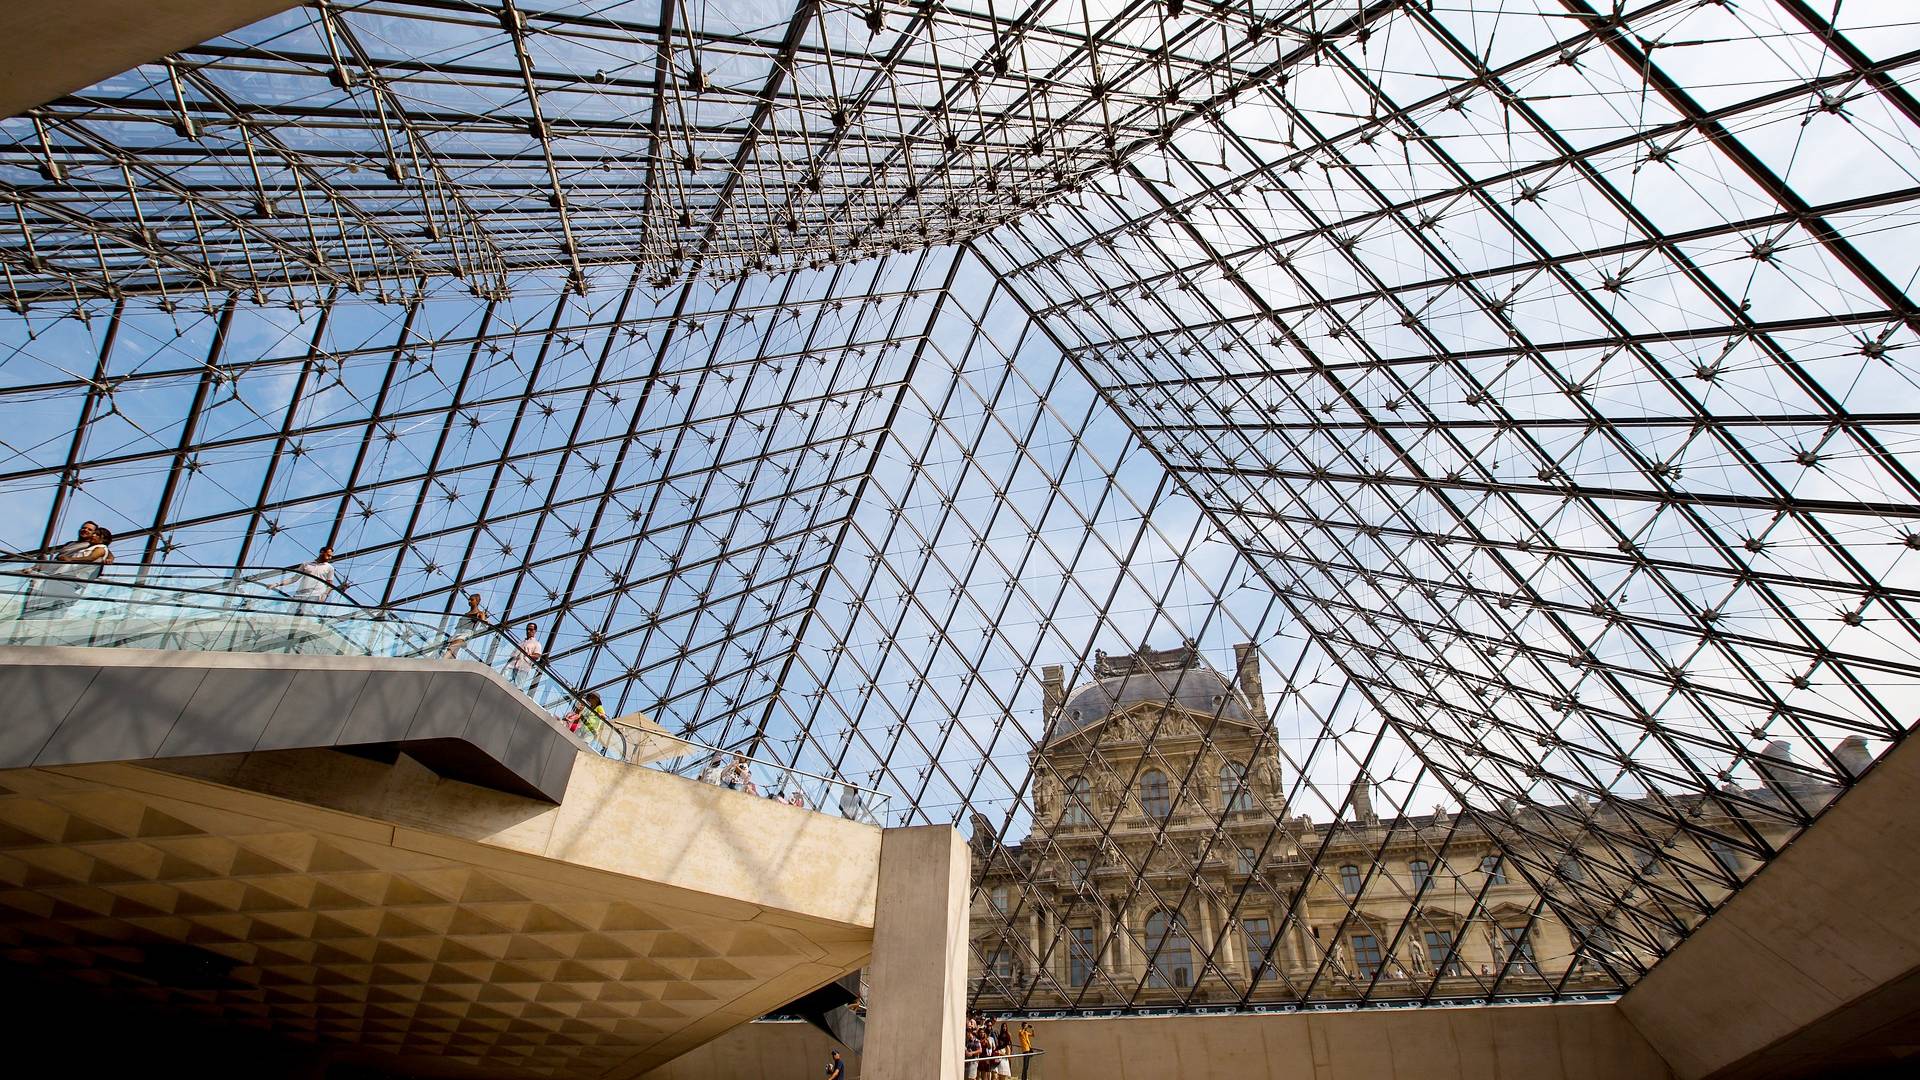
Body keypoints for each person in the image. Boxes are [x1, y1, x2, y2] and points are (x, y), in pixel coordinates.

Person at [25, 522, 113, 619]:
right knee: (44, 600)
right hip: (58, 574)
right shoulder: (72, 544)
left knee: (53, 603)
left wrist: (110, 558)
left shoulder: (94, 546)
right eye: (84, 528)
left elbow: (102, 553)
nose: (86, 530)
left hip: (70, 578)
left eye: (90, 530)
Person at [272, 545, 336, 604]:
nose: (329, 558)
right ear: (322, 552)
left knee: (303, 613)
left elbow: (329, 585)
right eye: (328, 555)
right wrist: (277, 584)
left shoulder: (330, 568)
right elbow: (294, 579)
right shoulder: (306, 564)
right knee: (291, 613)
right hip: (300, 594)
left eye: (330, 556)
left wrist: (324, 595)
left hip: (315, 595)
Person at [443, 592, 491, 659]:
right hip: (458, 632)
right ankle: (448, 665)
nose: (469, 601)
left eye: (472, 600)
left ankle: (442, 660)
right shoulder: (466, 613)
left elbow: (484, 623)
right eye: (469, 599)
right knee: (454, 651)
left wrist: (486, 621)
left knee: (451, 648)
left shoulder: (480, 613)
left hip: (466, 633)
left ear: (477, 601)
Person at [506, 621, 543, 696]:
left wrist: (529, 655)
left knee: (517, 687)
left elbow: (537, 655)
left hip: (523, 667)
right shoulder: (522, 642)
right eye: (527, 629)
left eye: (531, 630)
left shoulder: (536, 643)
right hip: (512, 664)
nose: (528, 631)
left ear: (535, 631)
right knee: (503, 680)